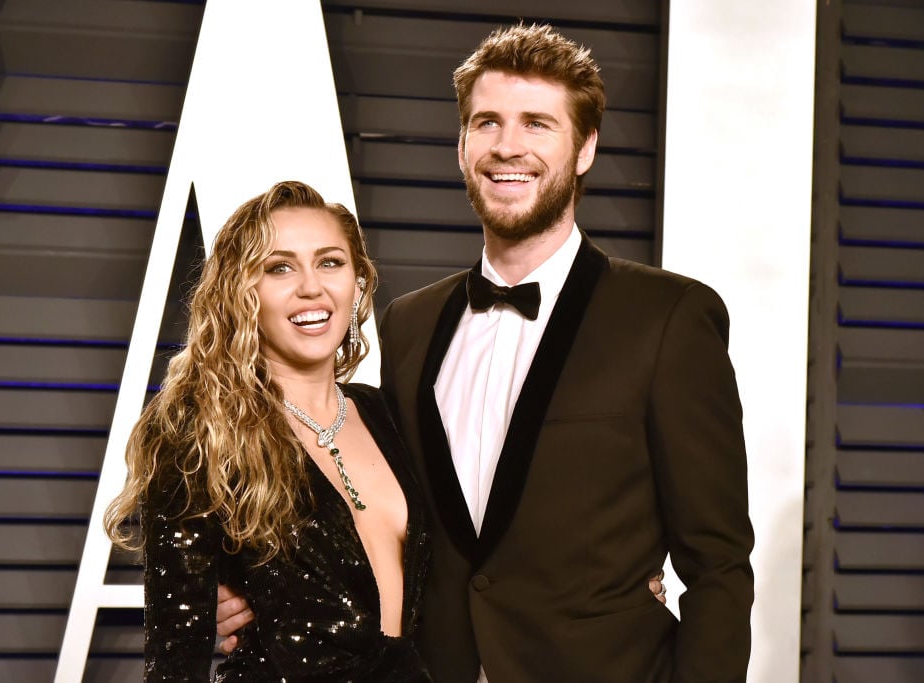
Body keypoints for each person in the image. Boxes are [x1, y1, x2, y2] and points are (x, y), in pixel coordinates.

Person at [221, 22, 753, 683]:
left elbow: (719, 566)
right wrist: (247, 590)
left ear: (584, 147)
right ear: (463, 143)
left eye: (537, 124)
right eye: (487, 123)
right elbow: (374, 515)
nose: (508, 147)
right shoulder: (409, 324)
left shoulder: (669, 318)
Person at [104, 181, 432, 681]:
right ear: (242, 292)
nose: (311, 287)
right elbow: (176, 657)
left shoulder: (385, 413)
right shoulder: (202, 433)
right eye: (279, 267)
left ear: (358, 281)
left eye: (330, 262)